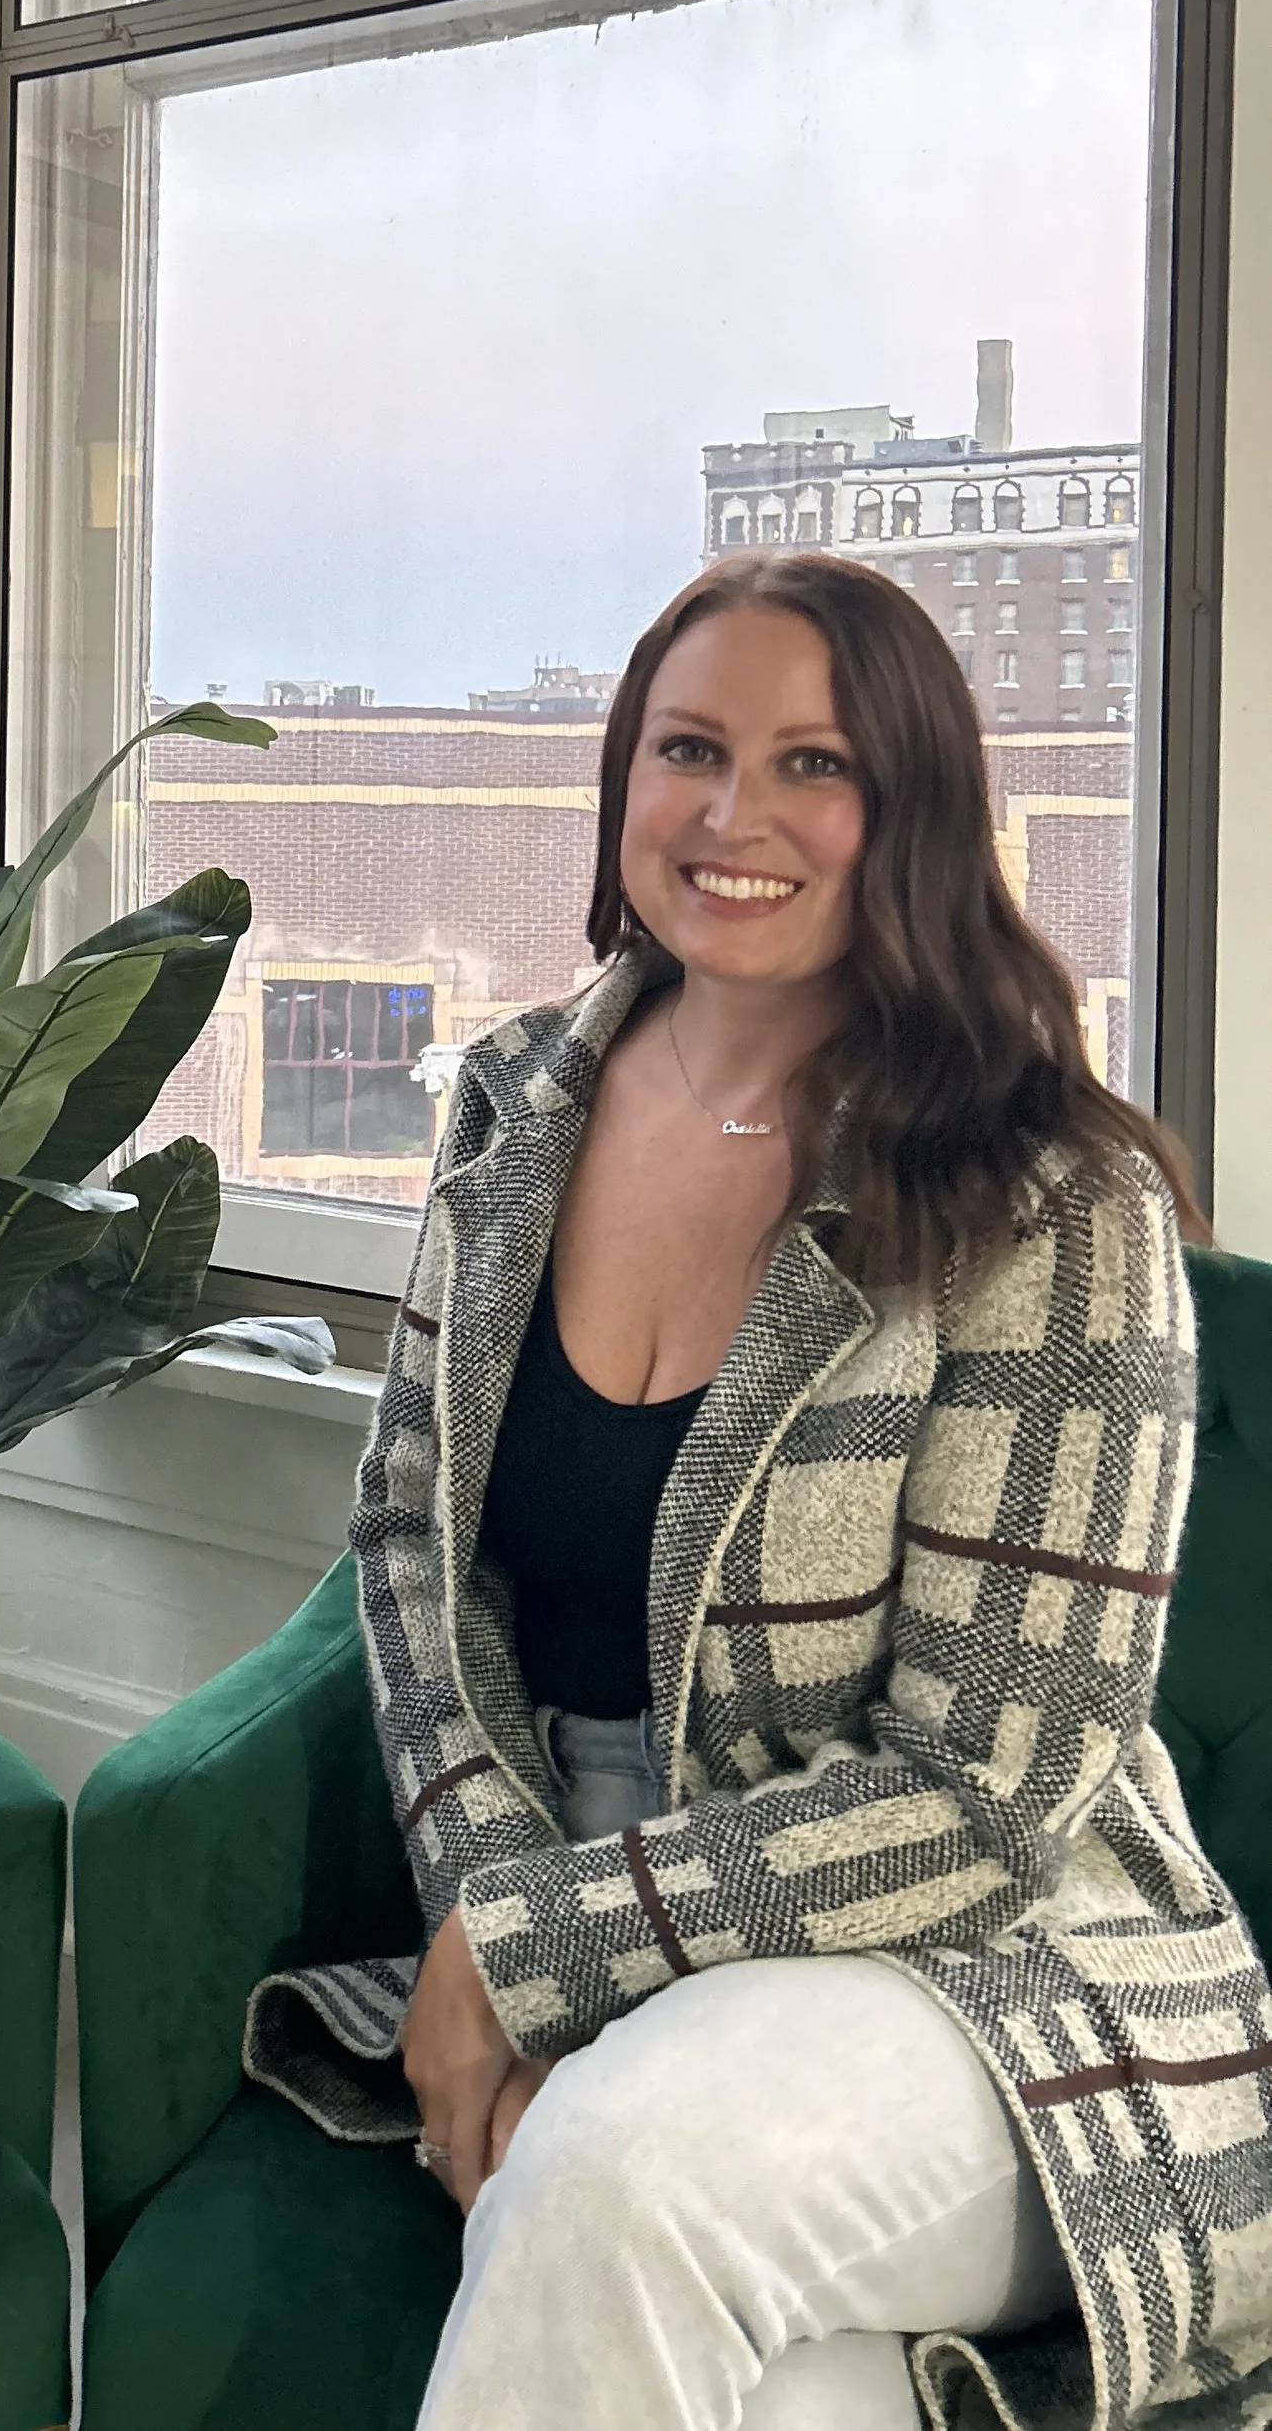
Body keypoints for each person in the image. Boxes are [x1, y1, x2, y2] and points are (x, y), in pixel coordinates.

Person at [246, 552, 1272, 2431]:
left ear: (916, 814)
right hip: (573, 1849)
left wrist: (539, 1954)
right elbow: (412, 1555)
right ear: (620, 778)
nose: (736, 817)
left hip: (991, 1967)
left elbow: (987, 1795)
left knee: (618, 2185)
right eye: (688, 749)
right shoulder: (507, 1110)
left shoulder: (1054, 1203)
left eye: (816, 766)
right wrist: (494, 1903)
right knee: (794, 2400)